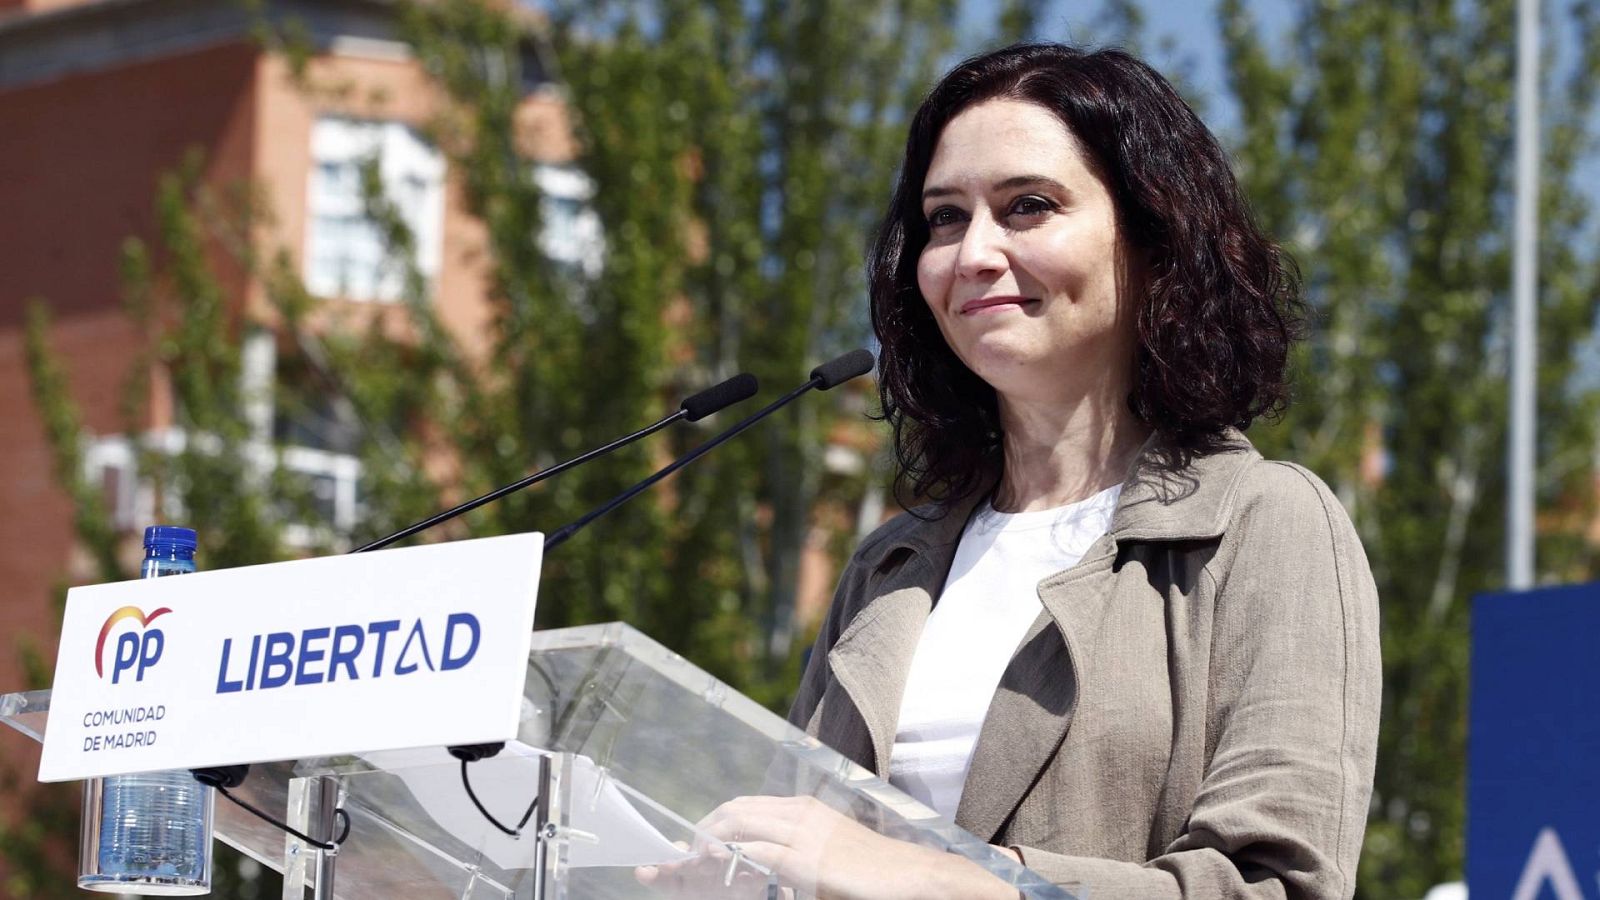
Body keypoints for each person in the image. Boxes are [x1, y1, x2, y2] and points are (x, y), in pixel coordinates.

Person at [641, 42, 1381, 900]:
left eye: (1027, 206)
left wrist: (931, 879)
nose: (973, 253)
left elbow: (1278, 888)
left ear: (1153, 238)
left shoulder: (1264, 522)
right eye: (946, 218)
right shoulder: (889, 564)